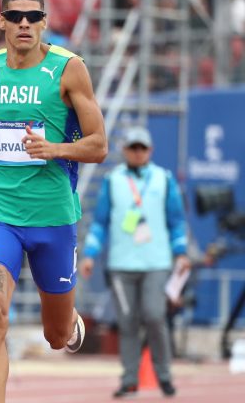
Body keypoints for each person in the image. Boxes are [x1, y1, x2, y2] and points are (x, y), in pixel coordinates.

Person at [0, 0, 107, 403]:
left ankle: (70, 324)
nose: (24, 24)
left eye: (32, 17)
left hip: (52, 216)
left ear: (45, 22)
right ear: (1, 21)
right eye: (15, 16)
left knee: (56, 335)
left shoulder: (69, 69)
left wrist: (56, 149)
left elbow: (99, 145)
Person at [80, 126, 190, 398]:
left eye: (143, 148)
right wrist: (90, 254)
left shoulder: (164, 179)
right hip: (120, 264)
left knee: (154, 316)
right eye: (133, 148)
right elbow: (100, 223)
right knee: (127, 322)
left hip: (156, 262)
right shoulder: (112, 180)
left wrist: (182, 252)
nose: (138, 152)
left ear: (150, 150)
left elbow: (176, 221)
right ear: (124, 150)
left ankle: (163, 375)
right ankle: (129, 379)